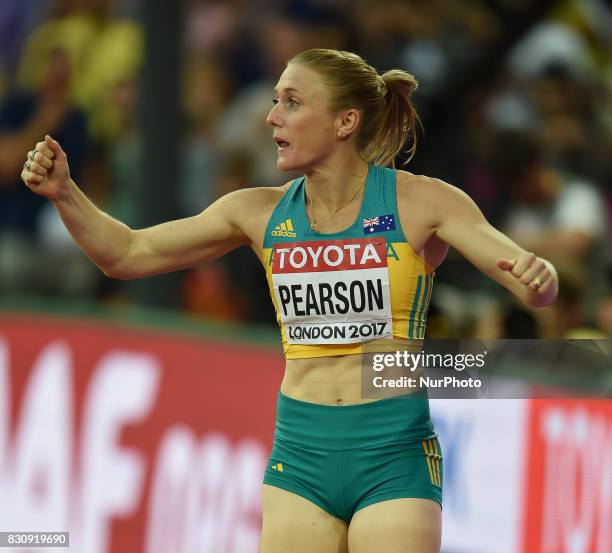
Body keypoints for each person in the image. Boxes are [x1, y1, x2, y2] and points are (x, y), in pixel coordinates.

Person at [21, 48, 558, 553]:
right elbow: (130, 253)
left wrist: (541, 277)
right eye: (276, 99)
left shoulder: (420, 201)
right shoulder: (257, 213)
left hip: (393, 455)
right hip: (301, 458)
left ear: (345, 122)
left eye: (292, 102)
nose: (271, 116)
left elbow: (533, 285)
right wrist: (67, 194)